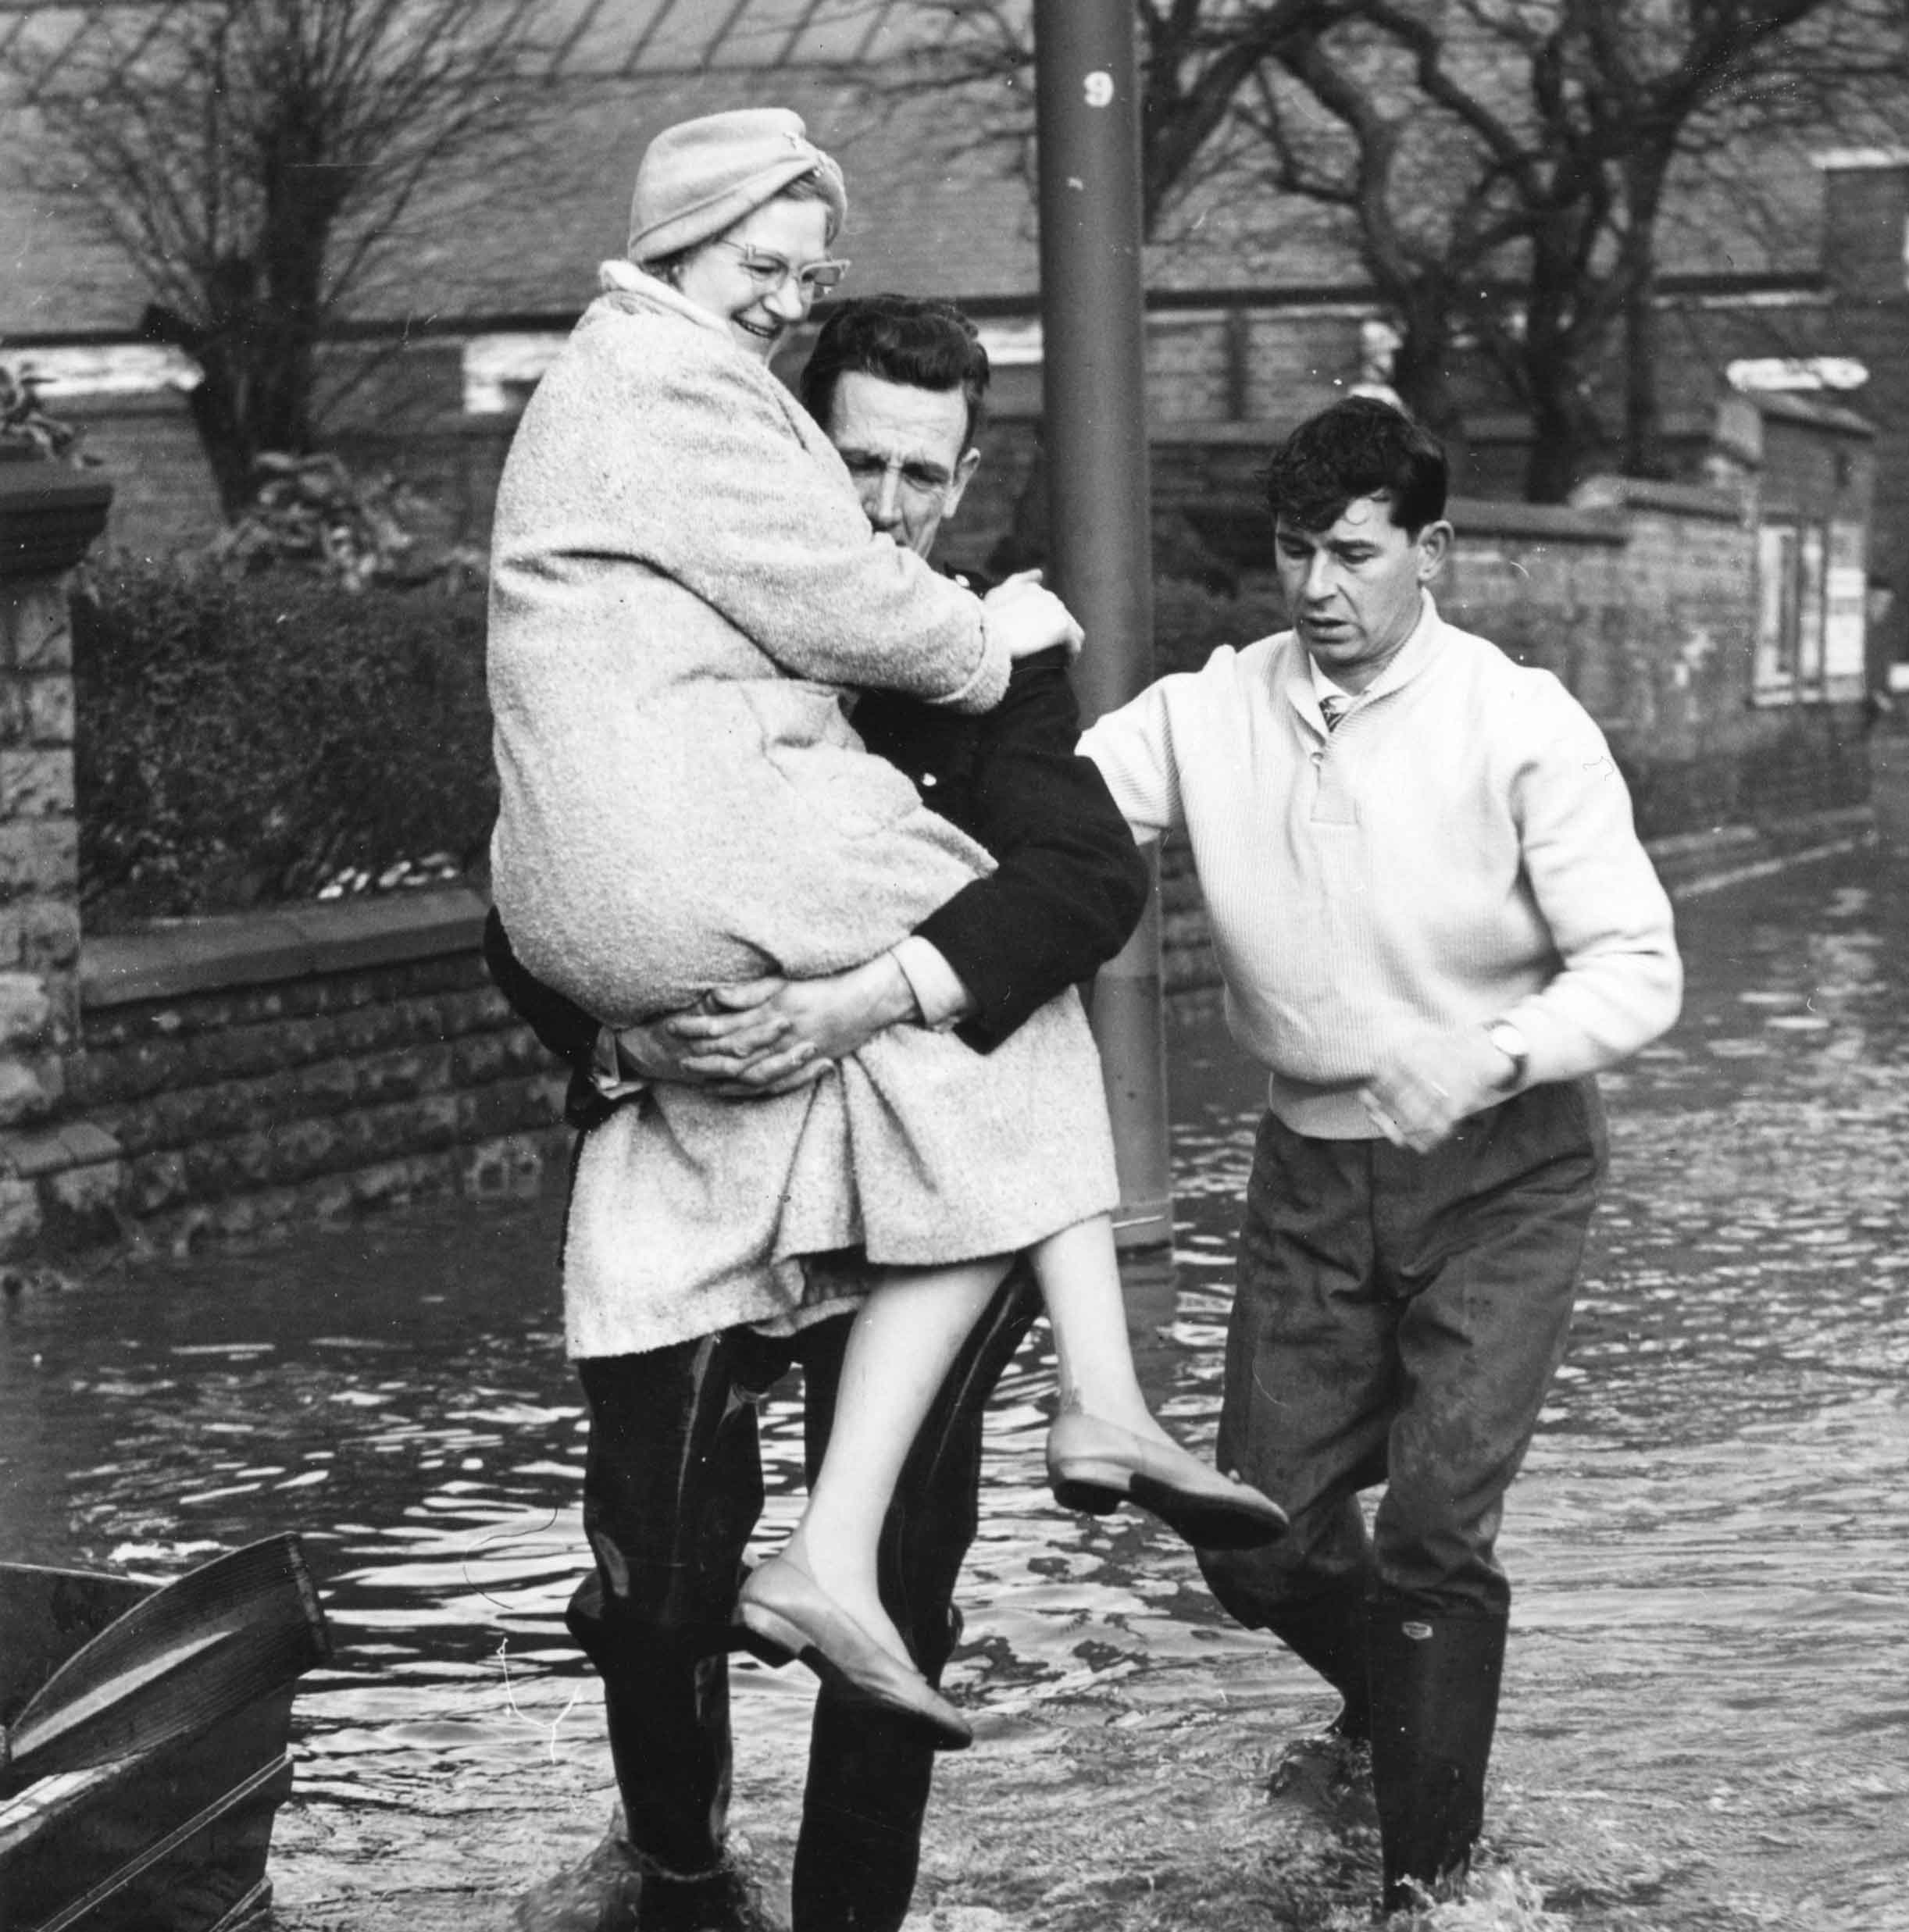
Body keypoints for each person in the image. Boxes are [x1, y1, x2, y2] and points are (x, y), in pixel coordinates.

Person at [494, 283, 1269, 1931]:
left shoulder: (977, 659)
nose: (888, 506)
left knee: (900, 1569)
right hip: (693, 1139)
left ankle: (852, 1918)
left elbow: (1083, 877)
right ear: (790, 447)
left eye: (924, 475)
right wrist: (628, 1046)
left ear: (964, 484)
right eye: (858, 462)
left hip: (919, 1165)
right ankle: (682, 1871)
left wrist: (860, 998)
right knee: (656, 1575)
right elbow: (536, 892)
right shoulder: (666, 614)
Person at [1079, 395, 1683, 1917]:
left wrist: (1491, 1050)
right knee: (1254, 1535)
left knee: (1431, 1531)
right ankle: (1399, 1704)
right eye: (1295, 551)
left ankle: (1431, 1892)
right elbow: (1057, 822)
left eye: (1352, 553)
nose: (1316, 587)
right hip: (1307, 1171)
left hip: (1506, 1171)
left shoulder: (1520, 722)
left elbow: (1640, 968)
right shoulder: (1208, 709)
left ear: (1433, 549)